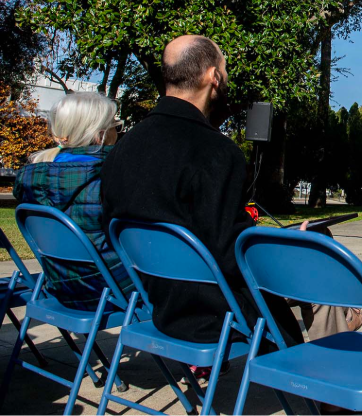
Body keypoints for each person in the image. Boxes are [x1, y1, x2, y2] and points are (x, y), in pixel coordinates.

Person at [100, 35, 304, 347]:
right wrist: (285, 246)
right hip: (213, 314)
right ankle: (324, 384)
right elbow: (230, 254)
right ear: (213, 76)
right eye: (225, 69)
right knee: (314, 263)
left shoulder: (123, 147)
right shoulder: (216, 152)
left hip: (154, 301)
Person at [14, 92, 133, 311]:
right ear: (100, 134)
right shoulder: (111, 178)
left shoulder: (30, 179)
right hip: (110, 290)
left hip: (60, 286)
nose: (119, 131)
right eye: (116, 125)